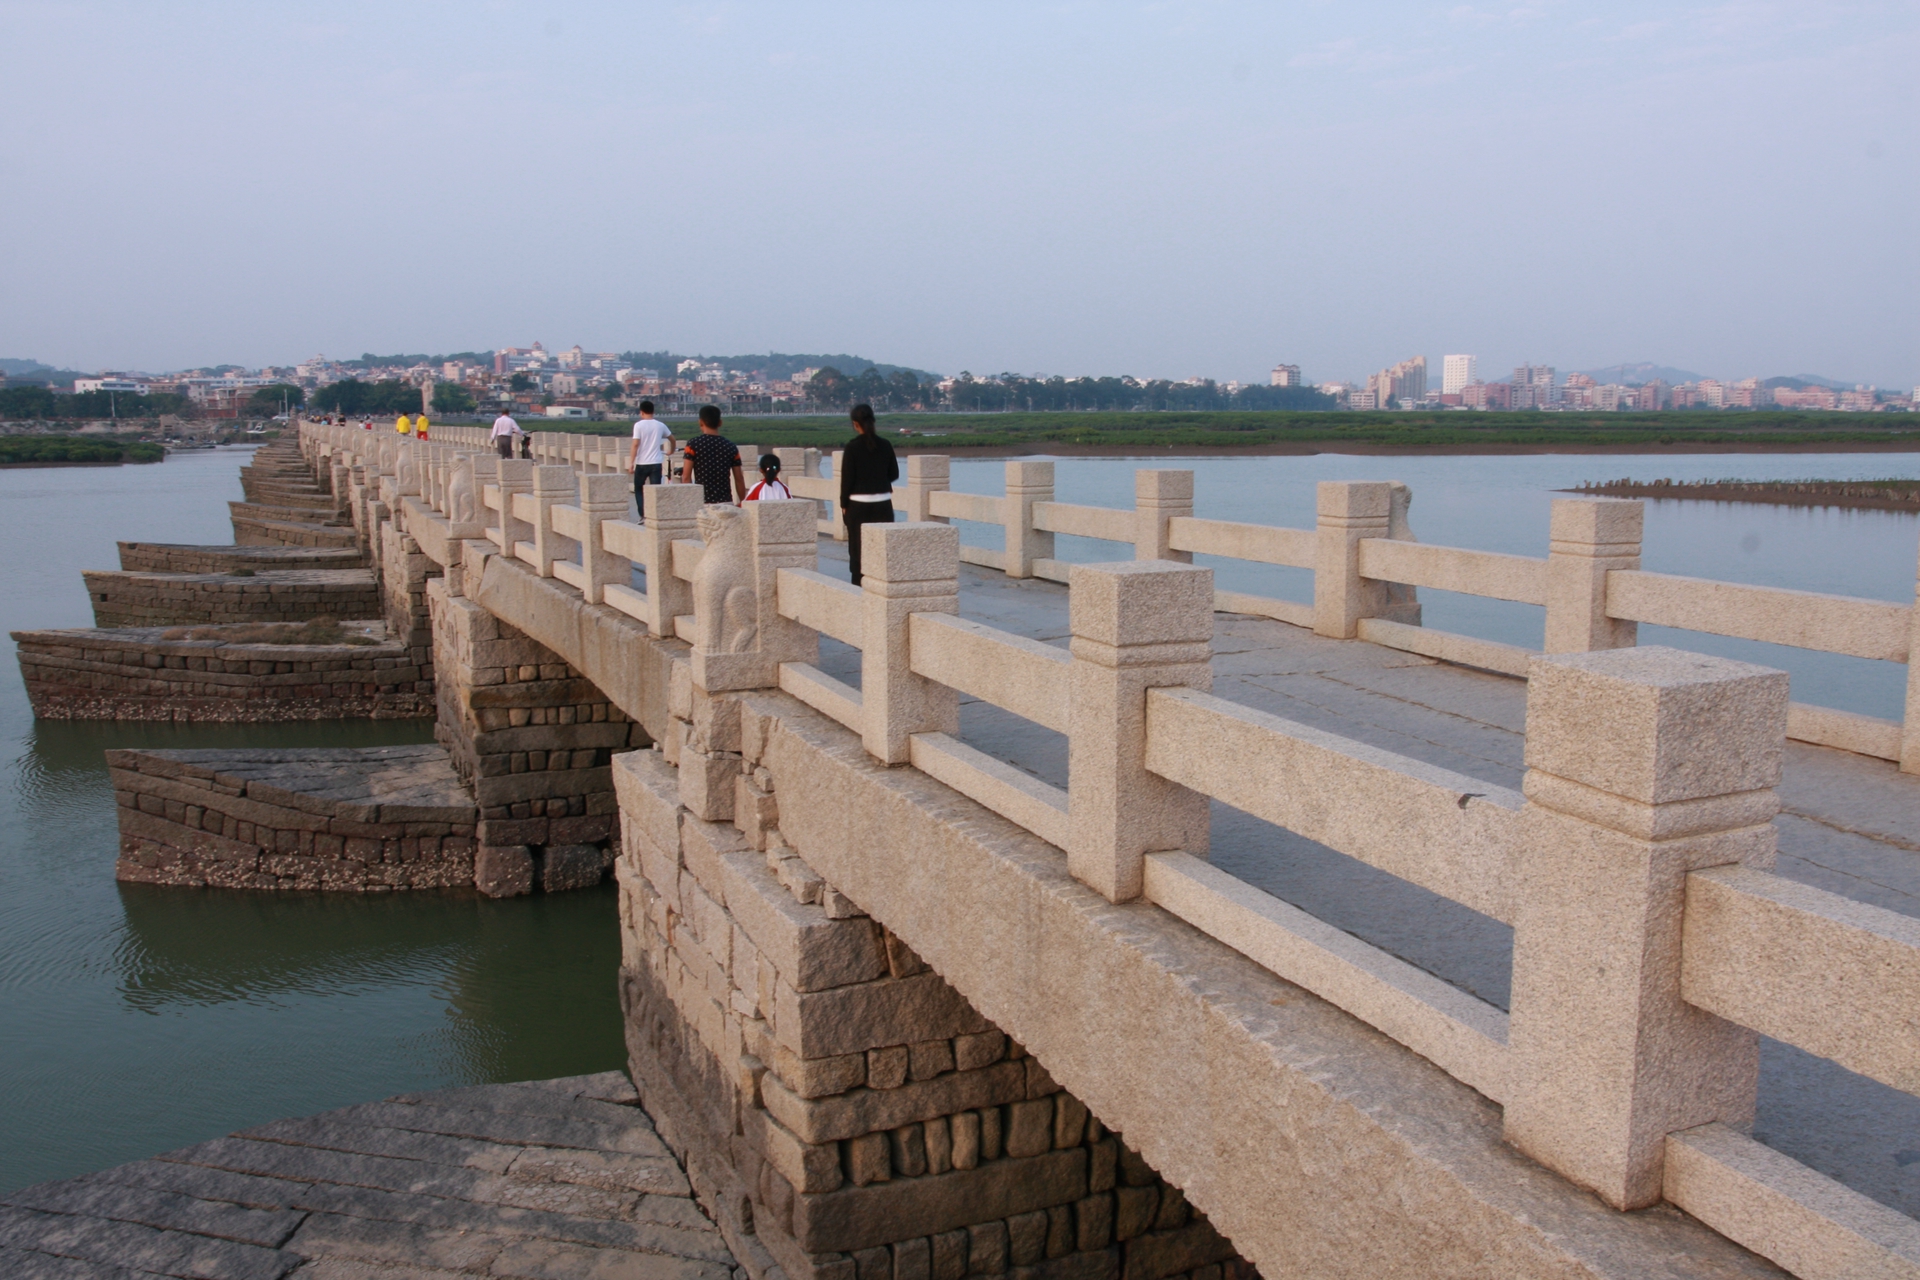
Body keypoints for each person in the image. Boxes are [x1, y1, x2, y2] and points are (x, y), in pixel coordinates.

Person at [838, 403, 898, 585]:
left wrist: (843, 505)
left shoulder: (852, 447)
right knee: (881, 551)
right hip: (883, 505)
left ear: (856, 424)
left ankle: (859, 589)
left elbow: (847, 481)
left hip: (858, 506)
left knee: (858, 553)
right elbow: (894, 474)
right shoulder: (885, 445)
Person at [680, 405, 745, 505]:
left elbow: (686, 477)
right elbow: (739, 478)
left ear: (700, 422)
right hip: (726, 502)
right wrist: (743, 502)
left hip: (702, 502)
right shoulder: (730, 446)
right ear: (720, 423)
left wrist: (690, 502)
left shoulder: (693, 445)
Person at [627, 400, 671, 521]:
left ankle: (643, 515)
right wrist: (671, 450)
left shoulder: (638, 425)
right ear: (653, 411)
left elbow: (635, 444)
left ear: (641, 412)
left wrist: (631, 463)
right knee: (655, 490)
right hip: (656, 463)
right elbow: (672, 438)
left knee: (639, 489)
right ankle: (656, 515)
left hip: (642, 463)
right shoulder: (660, 425)